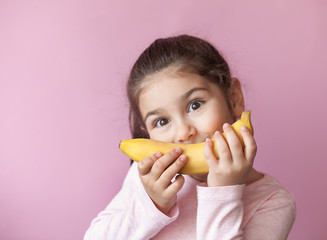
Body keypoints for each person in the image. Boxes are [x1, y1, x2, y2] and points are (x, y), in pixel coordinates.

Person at [84, 34, 296, 240]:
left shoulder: (273, 202)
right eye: (161, 122)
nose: (184, 133)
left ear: (234, 99)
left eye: (195, 105)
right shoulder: (148, 178)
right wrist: (152, 205)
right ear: (147, 133)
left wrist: (223, 192)